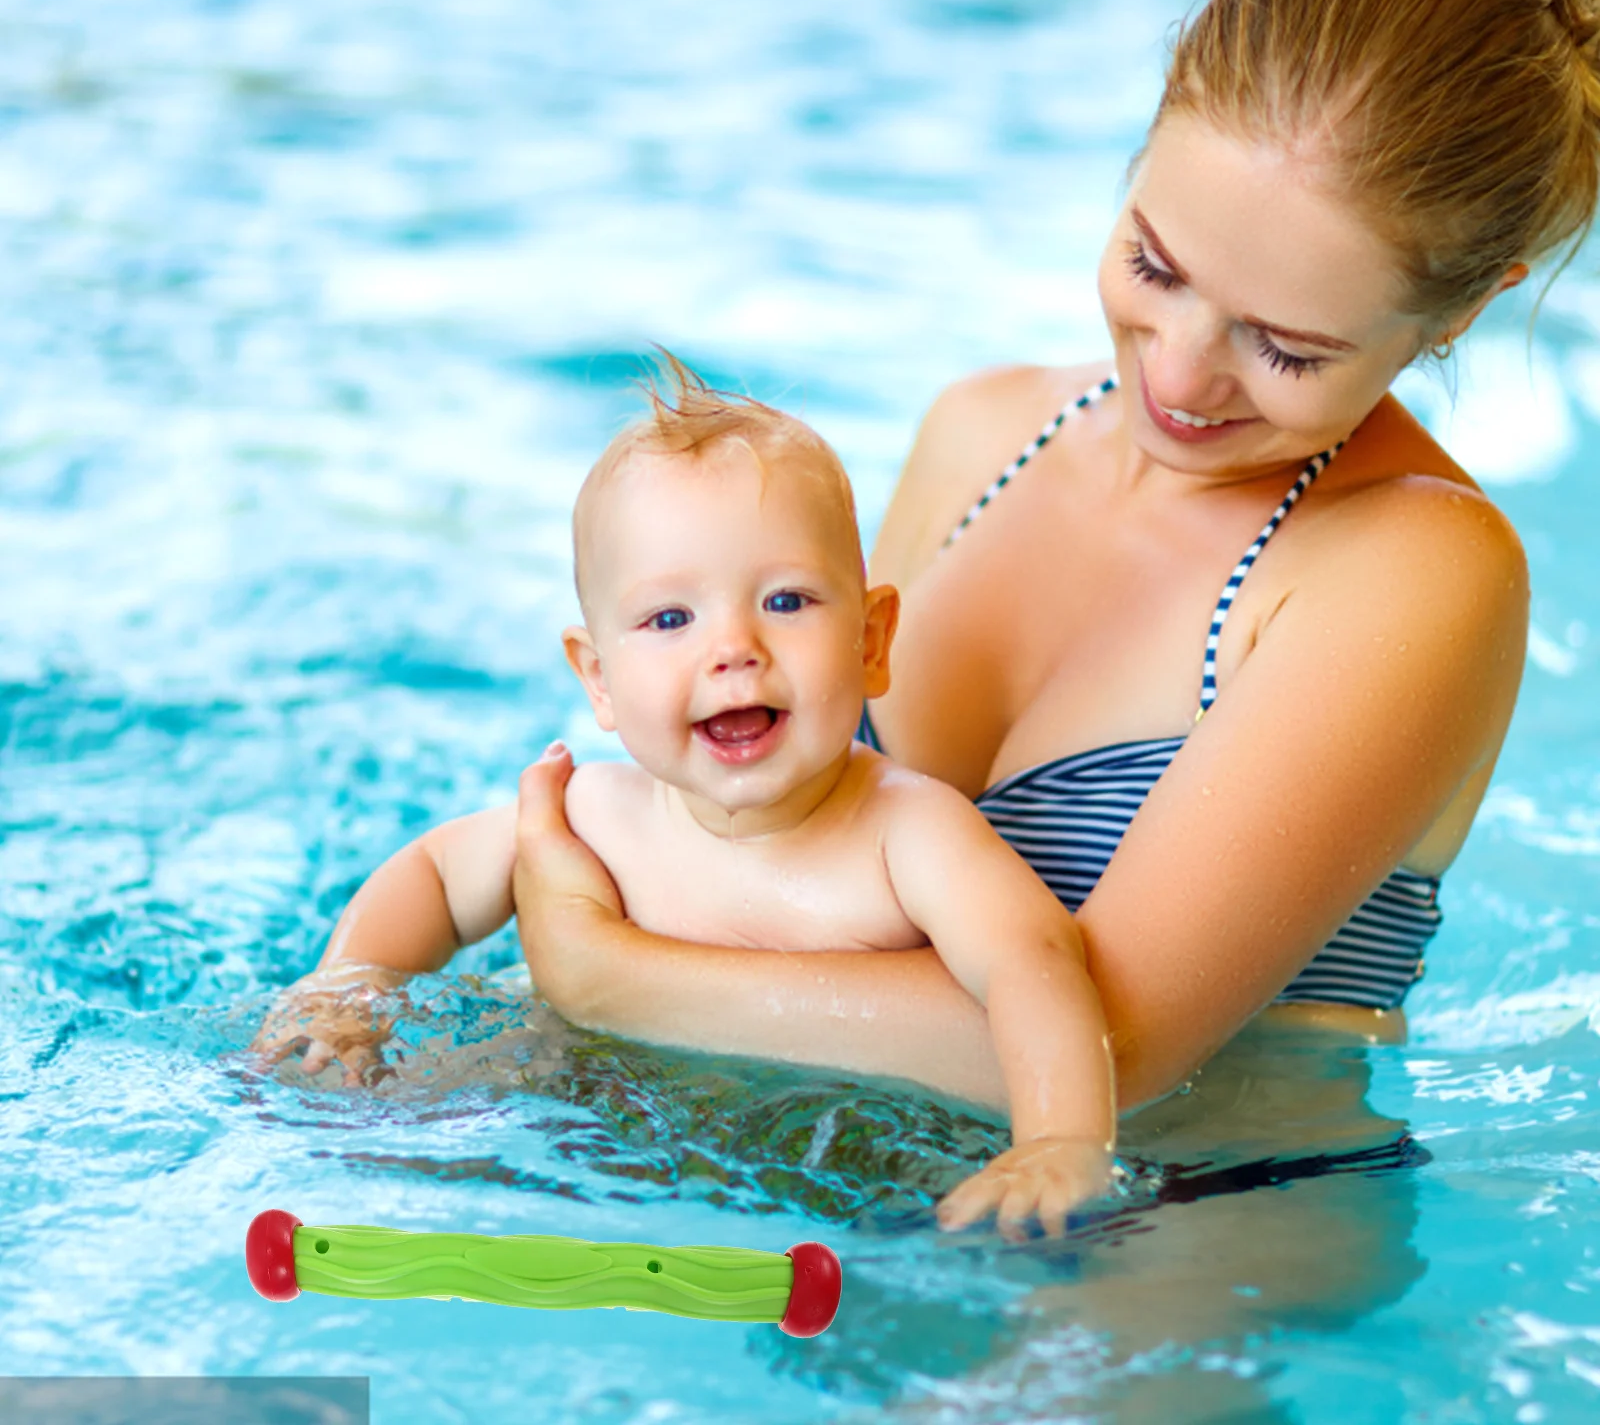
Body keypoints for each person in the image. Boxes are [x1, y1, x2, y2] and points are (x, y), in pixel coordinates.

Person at [505, 0, 1593, 1115]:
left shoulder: (1414, 571)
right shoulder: (979, 434)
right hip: (832, 1210)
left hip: (1179, 1257)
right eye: (1154, 261)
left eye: (1286, 346)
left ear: (1461, 309)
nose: (1180, 374)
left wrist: (608, 974)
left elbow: (1112, 1050)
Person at [258, 361, 1117, 1235]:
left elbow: (1032, 963)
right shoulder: (595, 819)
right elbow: (436, 876)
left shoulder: (911, 834)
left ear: (871, 641)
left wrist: (1060, 1139)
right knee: (377, 1131)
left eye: (786, 600)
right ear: (597, 679)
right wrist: (347, 997)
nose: (733, 648)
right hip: (579, 1123)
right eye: (671, 620)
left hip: (823, 1180)